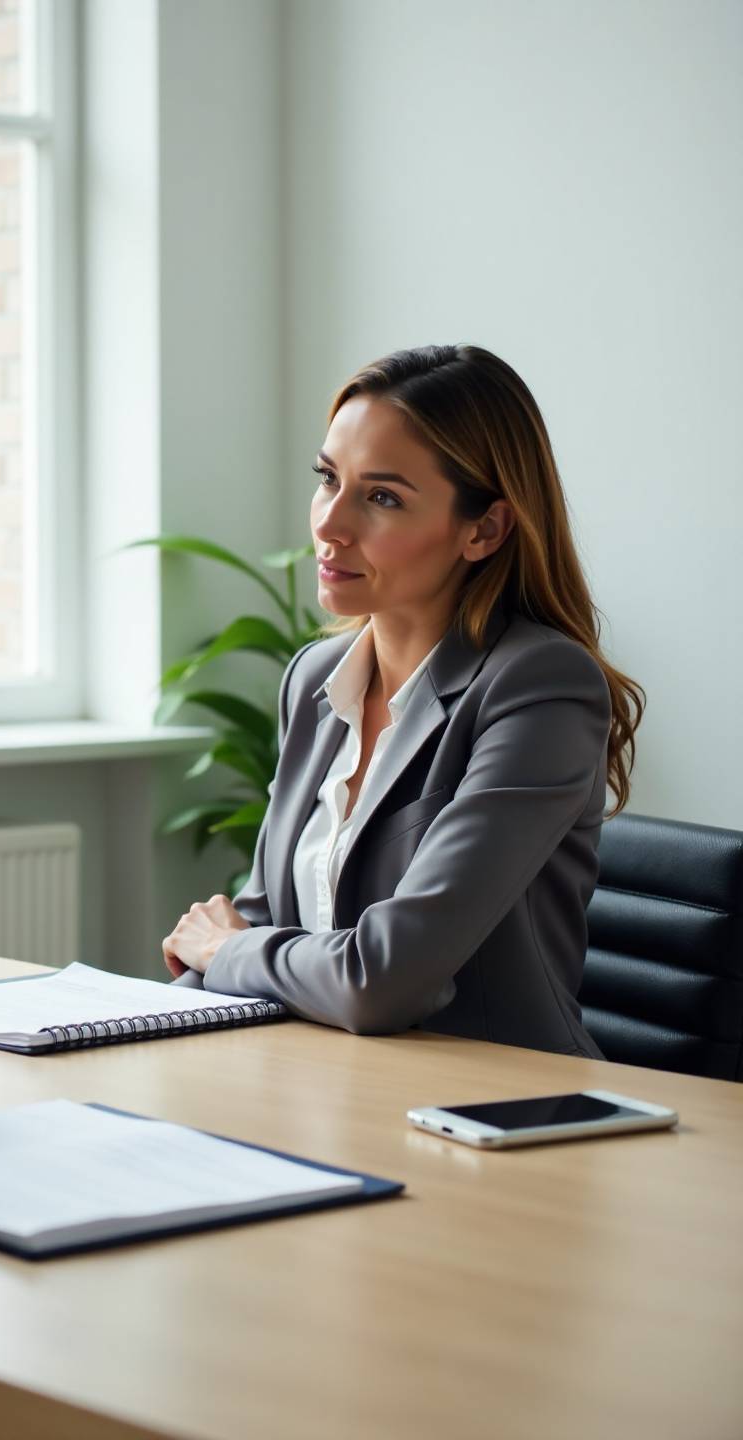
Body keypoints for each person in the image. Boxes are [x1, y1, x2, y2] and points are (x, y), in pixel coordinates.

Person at [162, 344, 644, 1057]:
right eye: (328, 479)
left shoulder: (539, 685)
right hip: (322, 1084)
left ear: (483, 529)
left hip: (491, 1112)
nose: (330, 524)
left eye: (382, 497)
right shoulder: (316, 677)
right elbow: (261, 917)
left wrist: (226, 952)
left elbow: (384, 978)